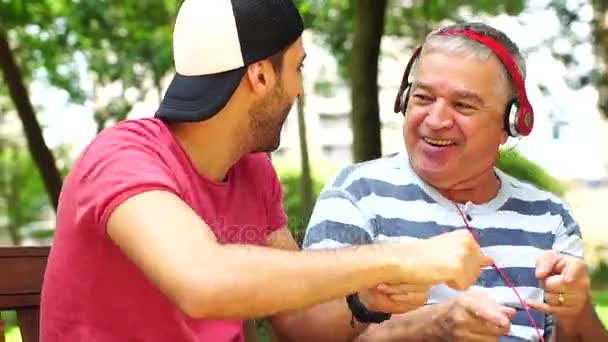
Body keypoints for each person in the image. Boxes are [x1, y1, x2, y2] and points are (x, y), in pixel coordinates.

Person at [39, 2, 492, 341]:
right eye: (296, 68)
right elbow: (203, 281)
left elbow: (298, 321)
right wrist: (400, 256)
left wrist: (366, 301)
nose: (298, 87)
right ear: (259, 77)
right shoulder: (123, 157)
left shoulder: (254, 173)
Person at [303, 22, 608, 341]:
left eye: (463, 105)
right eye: (423, 98)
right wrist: (431, 326)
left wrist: (576, 307)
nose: (436, 121)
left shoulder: (551, 217)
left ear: (512, 122)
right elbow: (312, 332)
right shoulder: (356, 193)